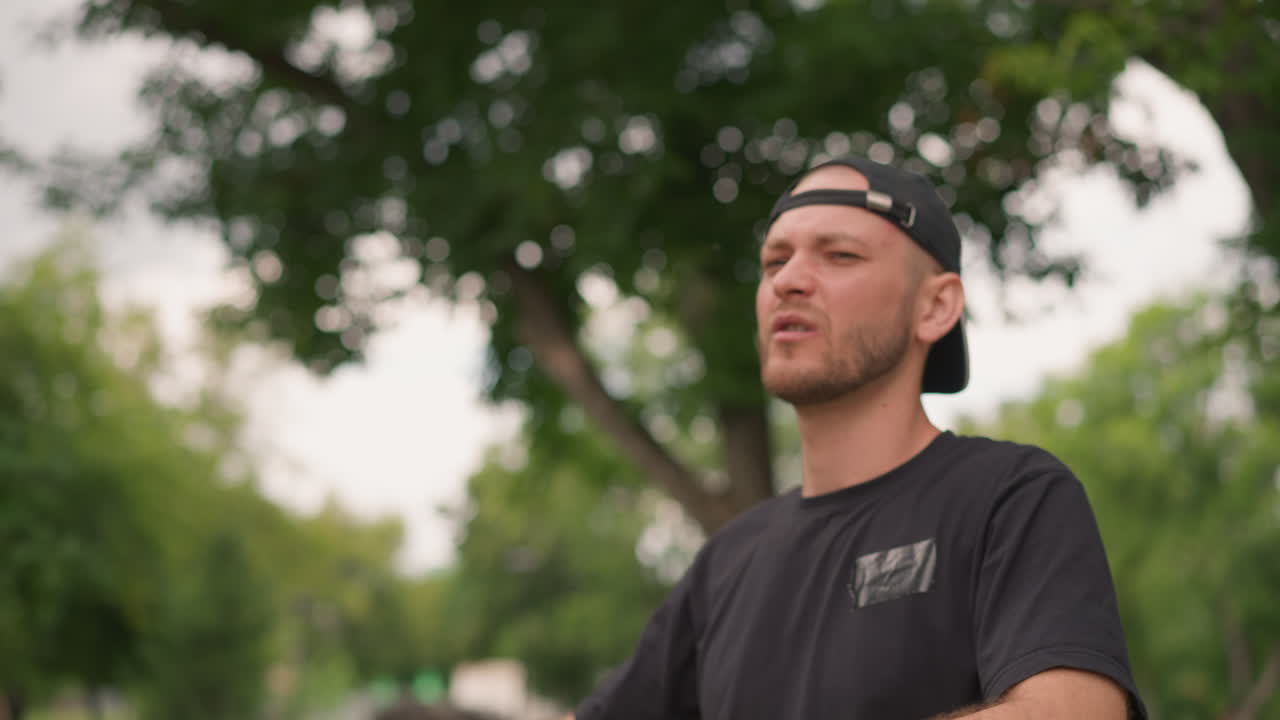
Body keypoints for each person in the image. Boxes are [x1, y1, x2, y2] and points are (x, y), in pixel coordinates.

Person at [568, 155, 1146, 719]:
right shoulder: (728, 562)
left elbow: (1074, 710)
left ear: (936, 306)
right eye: (774, 262)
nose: (788, 281)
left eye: (840, 255)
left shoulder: (1009, 497)